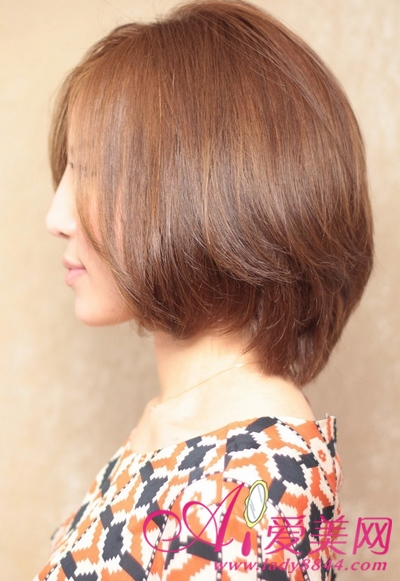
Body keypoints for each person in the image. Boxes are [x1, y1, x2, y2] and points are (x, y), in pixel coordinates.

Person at [36, 0, 373, 579]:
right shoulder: (186, 430)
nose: (57, 217)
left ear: (200, 192)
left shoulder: (253, 473)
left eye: (88, 172)